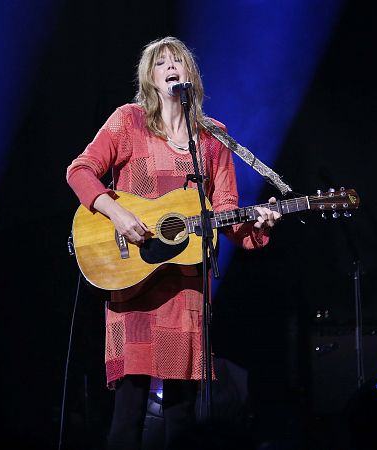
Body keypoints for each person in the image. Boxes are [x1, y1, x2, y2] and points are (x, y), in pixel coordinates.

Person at [66, 36, 281, 450]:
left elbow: (227, 212)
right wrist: (118, 213)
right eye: (160, 62)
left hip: (186, 288)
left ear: (190, 74)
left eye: (177, 60)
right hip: (133, 284)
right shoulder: (128, 122)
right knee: (128, 413)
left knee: (182, 415)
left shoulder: (213, 136)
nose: (170, 66)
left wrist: (261, 225)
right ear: (150, 77)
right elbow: (80, 171)